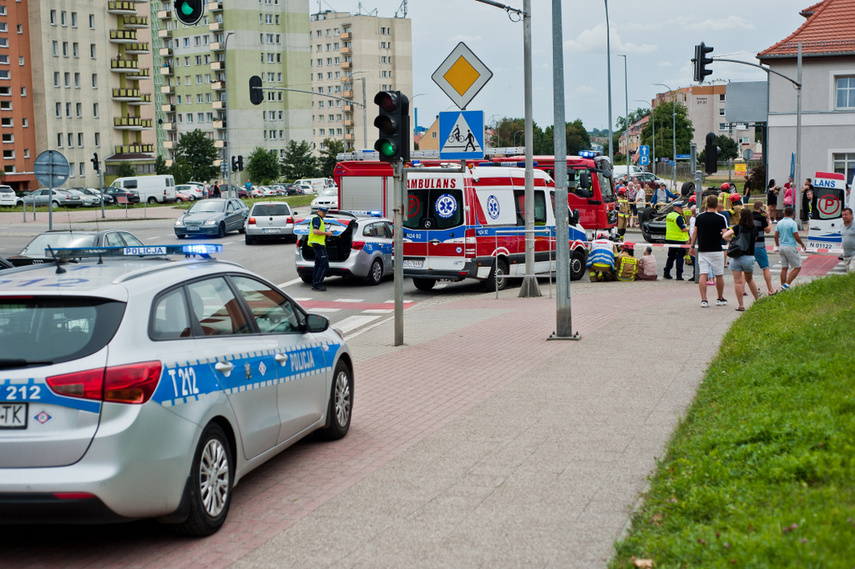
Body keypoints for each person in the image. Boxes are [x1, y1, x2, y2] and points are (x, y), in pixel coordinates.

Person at [689, 195, 729, 307]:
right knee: (719, 275)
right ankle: (720, 298)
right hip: (716, 249)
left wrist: (692, 246)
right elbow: (725, 235)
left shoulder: (699, 217)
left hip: (703, 250)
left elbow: (695, 233)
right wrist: (732, 240)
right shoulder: (721, 218)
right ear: (716, 205)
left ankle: (704, 300)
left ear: (706, 205)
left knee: (703, 274)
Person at [723, 205, 760, 311]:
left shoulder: (737, 228)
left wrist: (734, 241)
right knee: (749, 280)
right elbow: (755, 239)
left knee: (738, 282)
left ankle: (741, 305)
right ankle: (758, 300)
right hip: (749, 258)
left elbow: (725, 236)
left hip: (737, 257)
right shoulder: (754, 229)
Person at [774, 206, 806, 290]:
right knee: (797, 267)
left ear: (784, 213)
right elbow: (796, 236)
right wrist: (802, 244)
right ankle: (787, 284)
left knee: (784, 268)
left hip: (782, 247)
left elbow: (776, 236)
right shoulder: (792, 223)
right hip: (790, 247)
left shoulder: (779, 222)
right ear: (793, 214)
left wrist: (777, 245)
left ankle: (783, 285)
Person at [752, 200, 777, 295]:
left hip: (749, 245)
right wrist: (768, 219)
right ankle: (770, 289)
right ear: (760, 208)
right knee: (765, 268)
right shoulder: (761, 218)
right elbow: (768, 230)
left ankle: (742, 290)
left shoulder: (748, 216)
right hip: (759, 245)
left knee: (745, 270)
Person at [308, 206, 334, 291]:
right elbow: (315, 231)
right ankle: (317, 284)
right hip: (318, 244)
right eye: (323, 213)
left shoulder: (319, 219)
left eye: (326, 213)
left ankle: (315, 283)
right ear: (319, 211)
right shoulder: (317, 219)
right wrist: (327, 233)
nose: (325, 214)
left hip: (318, 244)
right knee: (324, 265)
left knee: (318, 264)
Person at [662, 200, 689, 280]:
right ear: (676, 207)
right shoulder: (679, 217)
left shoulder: (669, 215)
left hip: (671, 239)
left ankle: (666, 273)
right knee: (680, 258)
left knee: (671, 257)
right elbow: (683, 229)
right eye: (681, 208)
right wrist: (691, 229)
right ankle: (679, 275)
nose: (682, 209)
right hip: (679, 240)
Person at [842, 207, 855, 273]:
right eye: (843, 215)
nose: (844, 216)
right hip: (846, 255)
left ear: (851, 215)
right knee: (850, 276)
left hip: (854, 254)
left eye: (846, 215)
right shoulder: (842, 225)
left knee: (852, 272)